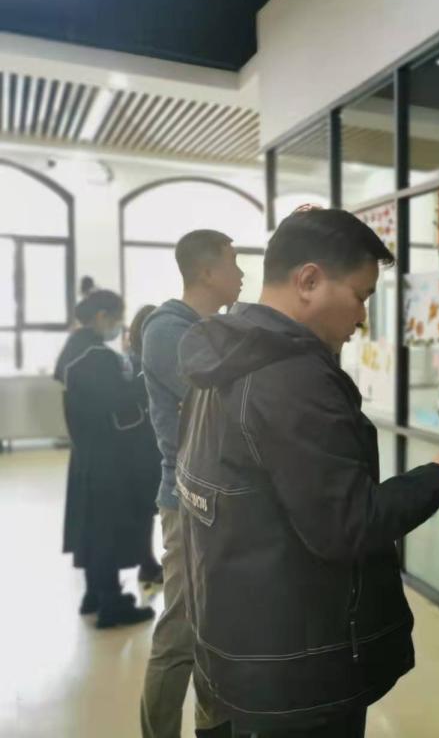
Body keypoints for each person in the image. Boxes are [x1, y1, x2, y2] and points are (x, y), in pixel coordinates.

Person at [174, 208, 439, 737]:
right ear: (309, 281)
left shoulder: (225, 356)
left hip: (239, 646)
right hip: (297, 667)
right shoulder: (291, 378)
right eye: (361, 296)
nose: (362, 317)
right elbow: (348, 523)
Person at [140, 230, 243, 738]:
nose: (241, 273)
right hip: (185, 500)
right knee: (181, 631)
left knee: (217, 629)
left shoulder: (212, 329)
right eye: (233, 262)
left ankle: (214, 726)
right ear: (206, 272)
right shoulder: (167, 330)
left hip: (220, 498)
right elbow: (223, 401)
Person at [54, 289, 155, 629]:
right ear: (102, 317)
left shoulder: (74, 349)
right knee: (106, 530)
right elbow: (119, 403)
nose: (118, 326)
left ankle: (94, 595)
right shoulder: (95, 356)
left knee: (92, 527)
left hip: (86, 452)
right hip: (107, 457)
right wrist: (146, 378)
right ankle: (111, 604)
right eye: (117, 318)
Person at [127, 304, 163, 586]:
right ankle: (146, 564)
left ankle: (147, 562)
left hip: (142, 447)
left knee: (145, 511)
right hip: (144, 448)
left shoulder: (134, 361)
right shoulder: (140, 365)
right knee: (145, 510)